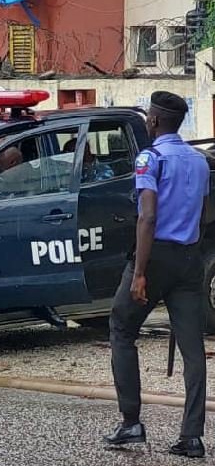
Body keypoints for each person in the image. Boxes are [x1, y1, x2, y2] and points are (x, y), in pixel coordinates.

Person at [104, 91, 209, 458]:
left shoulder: (150, 159)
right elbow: (201, 211)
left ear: (152, 122)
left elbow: (148, 217)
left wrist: (140, 273)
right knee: (192, 349)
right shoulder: (199, 162)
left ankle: (131, 422)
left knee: (121, 328)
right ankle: (192, 437)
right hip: (189, 259)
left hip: (155, 256)